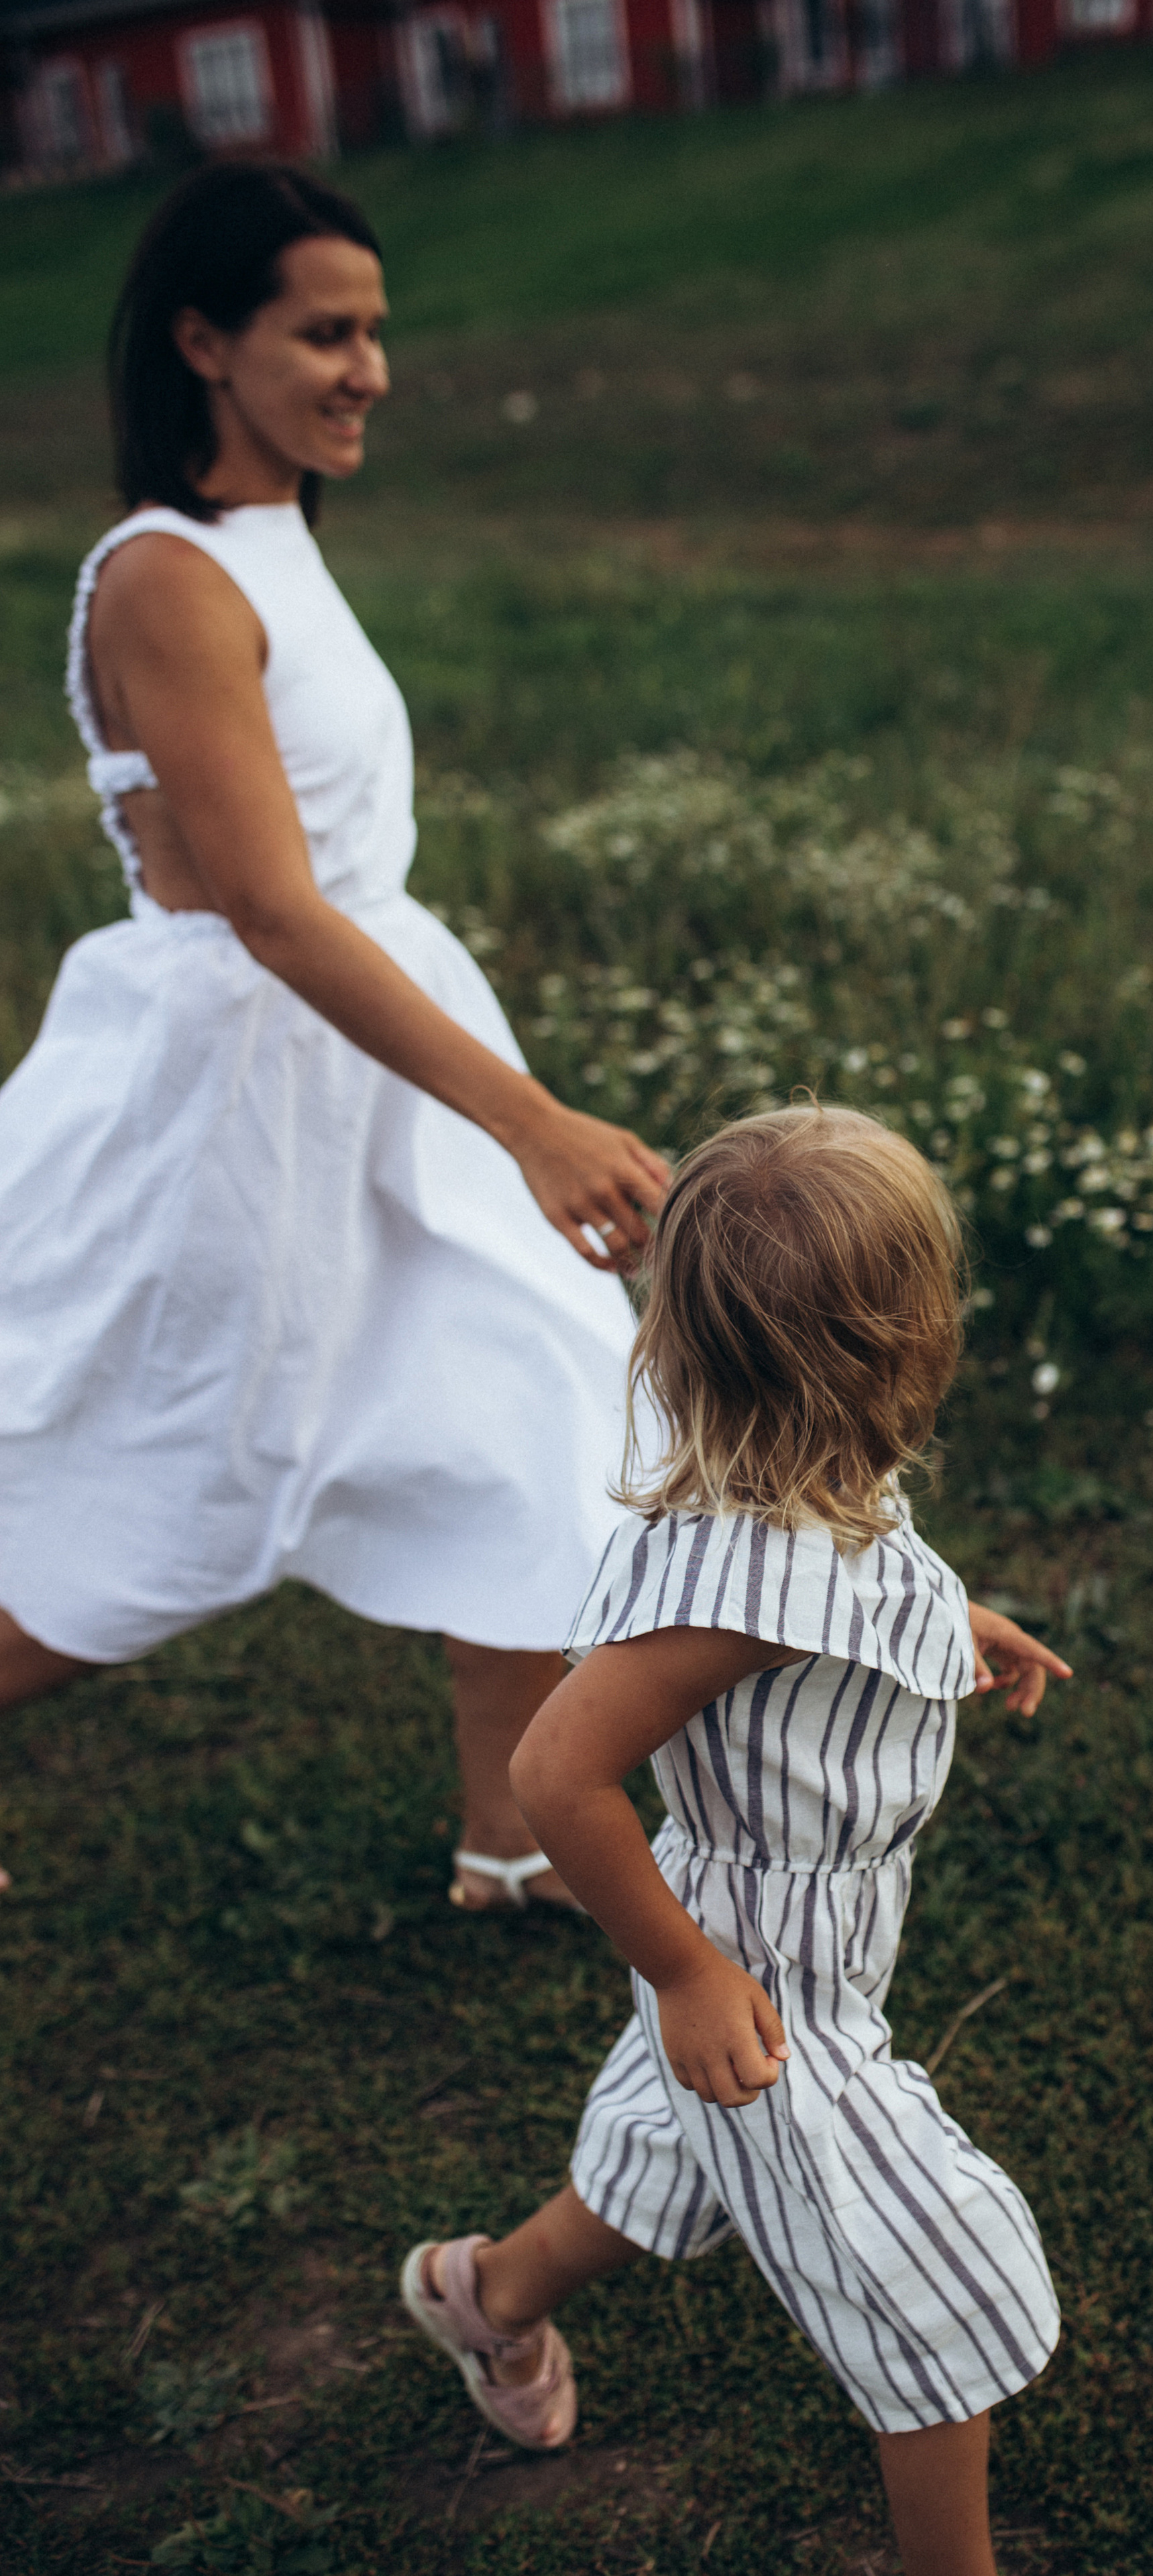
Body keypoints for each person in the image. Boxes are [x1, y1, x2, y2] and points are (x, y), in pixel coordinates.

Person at [0, 161, 667, 1912]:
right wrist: (531, 1120)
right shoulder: (163, 574)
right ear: (205, 341)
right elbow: (274, 912)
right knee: (174, 1489)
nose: (370, 367)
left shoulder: (275, 539)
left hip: (379, 1072)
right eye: (326, 332)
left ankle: (514, 1844)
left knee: (524, 1412)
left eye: (378, 330)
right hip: (244, 1087)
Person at [398, 1105, 1068, 2576]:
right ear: (900, 1350)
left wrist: (948, 1622)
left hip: (781, 1942)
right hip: (771, 1989)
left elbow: (862, 1569)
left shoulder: (798, 1473)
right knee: (932, 2288)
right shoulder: (730, 1592)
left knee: (659, 2161)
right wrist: (689, 1975)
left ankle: (487, 2293)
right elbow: (557, 1772)